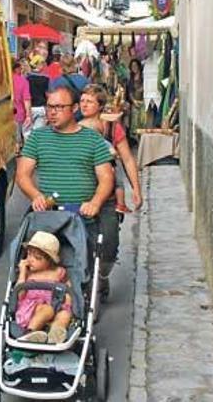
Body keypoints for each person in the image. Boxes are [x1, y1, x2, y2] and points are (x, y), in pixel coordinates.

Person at [16, 87, 116, 296]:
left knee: (89, 256)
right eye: (50, 107)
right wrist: (36, 196)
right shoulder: (37, 138)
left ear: (74, 108)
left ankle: (88, 289)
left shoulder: (92, 140)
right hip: (50, 214)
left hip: (82, 214)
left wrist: (95, 203)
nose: (52, 112)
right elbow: (23, 175)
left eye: (59, 107)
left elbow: (106, 177)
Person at [79, 84, 143, 214]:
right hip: (82, 192)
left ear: (100, 106)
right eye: (82, 101)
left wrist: (136, 189)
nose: (84, 105)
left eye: (89, 102)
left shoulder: (112, 127)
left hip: (108, 195)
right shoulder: (74, 126)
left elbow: (128, 159)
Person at [16, 231, 73, 344]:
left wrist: (68, 303)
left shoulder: (58, 272)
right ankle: (29, 333)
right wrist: (22, 272)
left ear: (49, 261)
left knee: (65, 315)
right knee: (46, 309)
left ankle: (54, 335)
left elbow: (68, 288)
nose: (30, 259)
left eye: (37, 258)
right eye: (29, 254)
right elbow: (19, 294)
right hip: (32, 309)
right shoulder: (28, 274)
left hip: (55, 305)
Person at [26, 54, 50, 134]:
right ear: (38, 65)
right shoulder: (45, 79)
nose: (43, 65)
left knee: (27, 134)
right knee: (39, 133)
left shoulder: (26, 78)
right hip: (41, 107)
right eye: (42, 63)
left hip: (29, 108)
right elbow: (47, 95)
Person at [13, 58, 32, 147]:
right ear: (17, 69)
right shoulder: (23, 81)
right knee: (18, 141)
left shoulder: (5, 80)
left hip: (5, 114)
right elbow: (26, 100)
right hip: (19, 114)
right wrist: (28, 115)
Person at [126, 58, 146, 138]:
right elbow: (130, 92)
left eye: (135, 65)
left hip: (143, 102)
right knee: (135, 123)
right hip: (135, 103)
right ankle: (137, 140)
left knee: (142, 122)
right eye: (132, 66)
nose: (134, 67)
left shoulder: (144, 76)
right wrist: (134, 101)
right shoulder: (130, 79)